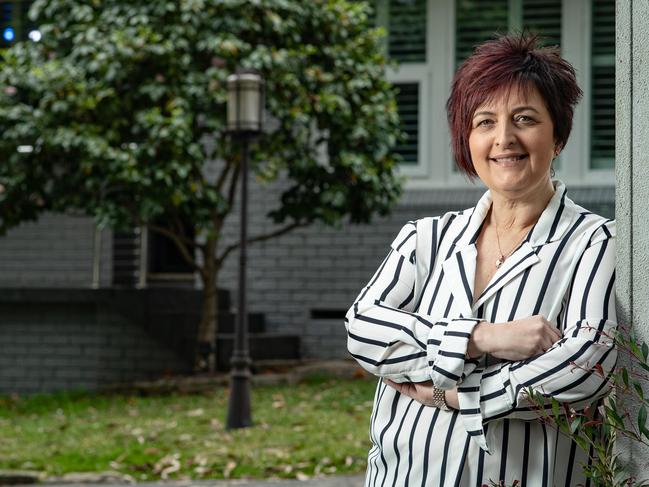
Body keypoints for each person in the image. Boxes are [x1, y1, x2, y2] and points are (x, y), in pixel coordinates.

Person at [345, 34, 616, 487]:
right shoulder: (425, 238)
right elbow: (363, 329)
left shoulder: (595, 241)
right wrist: (483, 337)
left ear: (560, 134)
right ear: (466, 138)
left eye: (524, 119)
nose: (503, 139)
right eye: (484, 121)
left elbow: (587, 366)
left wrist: (458, 396)